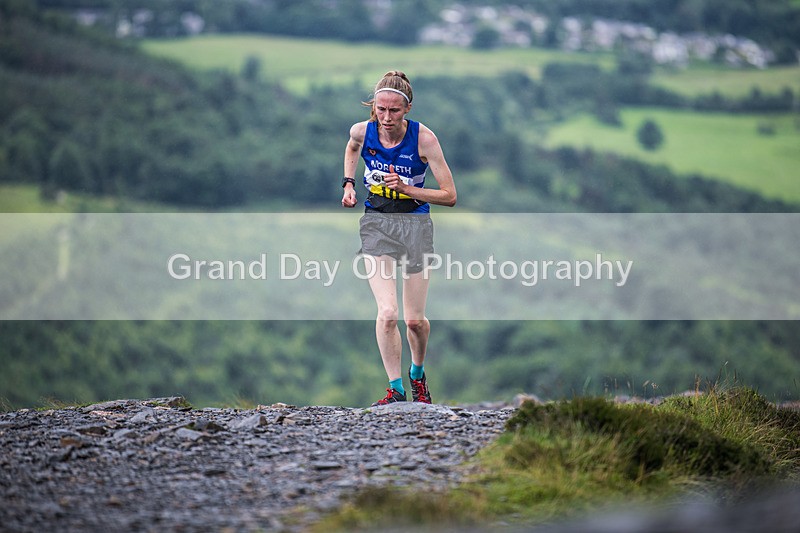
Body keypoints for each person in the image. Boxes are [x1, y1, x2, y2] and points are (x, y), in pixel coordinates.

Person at [341, 70, 457, 406]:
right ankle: (395, 389)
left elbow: (450, 196)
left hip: (415, 224)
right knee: (388, 312)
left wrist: (407, 189)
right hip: (376, 221)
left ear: (407, 109)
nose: (387, 117)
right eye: (381, 109)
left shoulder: (425, 140)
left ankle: (417, 375)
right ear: (373, 107)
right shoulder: (361, 131)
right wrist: (348, 183)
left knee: (414, 320)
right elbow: (352, 147)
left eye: (394, 110)